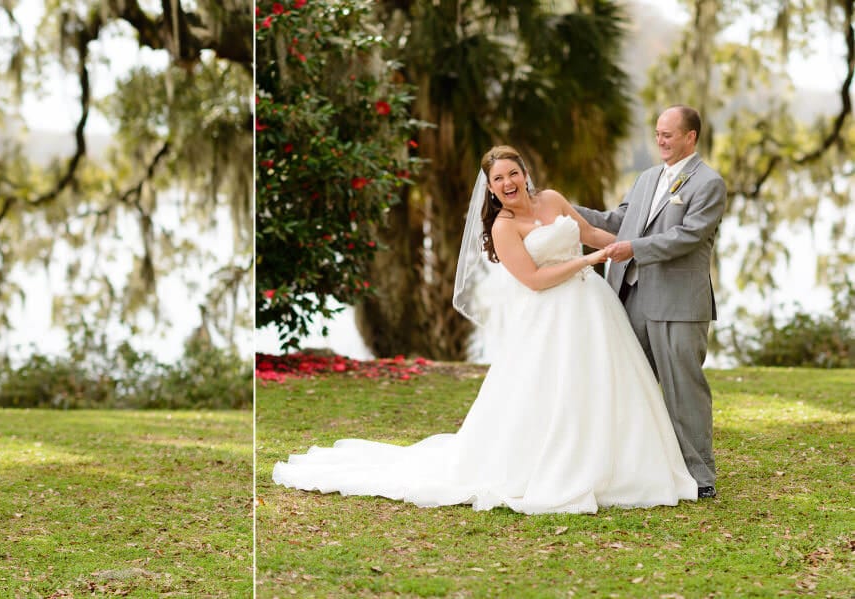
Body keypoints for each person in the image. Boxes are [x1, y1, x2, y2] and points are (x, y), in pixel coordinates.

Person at [271, 145, 699, 514]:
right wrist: (588, 261)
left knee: (606, 386)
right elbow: (534, 279)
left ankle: (622, 467)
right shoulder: (503, 227)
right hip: (549, 317)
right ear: (491, 188)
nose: (508, 182)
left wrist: (641, 251)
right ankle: (556, 467)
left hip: (593, 307)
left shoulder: (552, 199)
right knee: (553, 392)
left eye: (514, 173)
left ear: (526, 175)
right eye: (499, 178)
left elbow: (589, 232)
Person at [573, 105, 726, 499]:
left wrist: (633, 248)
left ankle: (701, 477)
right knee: (624, 383)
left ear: (690, 137)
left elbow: (688, 237)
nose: (660, 141)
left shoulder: (709, 183)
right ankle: (626, 469)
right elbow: (616, 220)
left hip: (678, 303)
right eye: (657, 133)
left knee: (683, 389)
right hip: (631, 297)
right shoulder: (646, 178)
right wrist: (563, 209)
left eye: (668, 135)